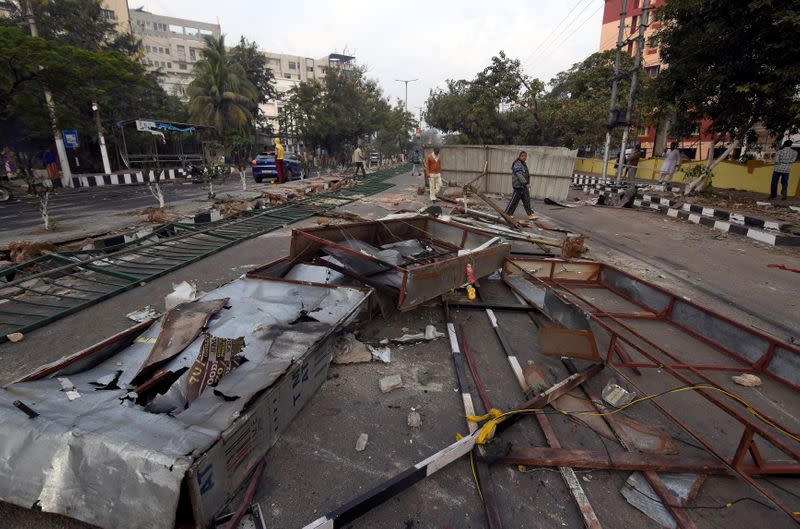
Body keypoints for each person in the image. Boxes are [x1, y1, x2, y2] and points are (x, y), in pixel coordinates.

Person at [506, 151, 537, 220]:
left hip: (524, 186)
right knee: (514, 201)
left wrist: (527, 183)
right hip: (518, 186)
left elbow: (526, 175)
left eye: (525, 156)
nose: (524, 157)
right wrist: (526, 183)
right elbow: (519, 174)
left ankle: (530, 215)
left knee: (527, 200)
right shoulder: (517, 164)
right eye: (522, 156)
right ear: (519, 156)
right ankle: (507, 214)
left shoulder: (524, 164)